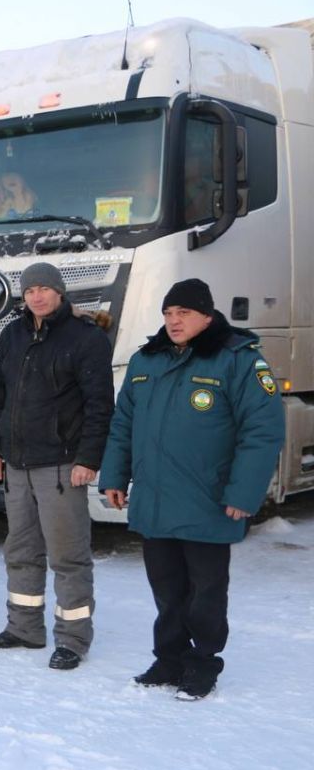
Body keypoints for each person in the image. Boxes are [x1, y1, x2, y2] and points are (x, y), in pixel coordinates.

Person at [99, 279, 284, 700]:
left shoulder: (237, 360)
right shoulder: (147, 360)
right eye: (167, 314)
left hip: (208, 502)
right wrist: (113, 477)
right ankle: (169, 658)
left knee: (206, 591)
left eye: (183, 312)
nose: (173, 321)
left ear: (206, 315)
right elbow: (123, 425)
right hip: (155, 501)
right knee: (166, 589)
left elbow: (264, 430)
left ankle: (203, 663)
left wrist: (244, 493)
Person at [0, 262, 114, 670]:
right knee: (20, 550)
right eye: (30, 290)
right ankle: (24, 628)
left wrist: (88, 459)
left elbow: (99, 405)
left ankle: (72, 639)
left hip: (61, 465)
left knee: (68, 555)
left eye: (44, 288)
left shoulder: (85, 338)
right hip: (16, 464)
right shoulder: (13, 334)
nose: (36, 296)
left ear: (59, 291)